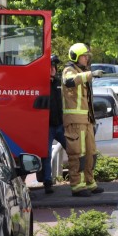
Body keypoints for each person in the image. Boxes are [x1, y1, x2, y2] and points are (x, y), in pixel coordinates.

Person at [62, 43, 105, 197]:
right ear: (76, 57)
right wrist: (90, 75)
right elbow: (69, 81)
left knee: (91, 154)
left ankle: (90, 183)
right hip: (75, 121)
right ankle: (77, 186)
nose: (87, 58)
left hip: (86, 120)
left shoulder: (82, 71)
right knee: (77, 154)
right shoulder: (69, 70)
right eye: (84, 56)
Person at [34, 54, 67, 194]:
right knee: (46, 155)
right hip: (47, 126)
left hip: (60, 125)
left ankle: (78, 180)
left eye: (54, 66)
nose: (53, 69)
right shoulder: (40, 84)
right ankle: (48, 182)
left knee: (74, 149)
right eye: (50, 66)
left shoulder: (59, 83)